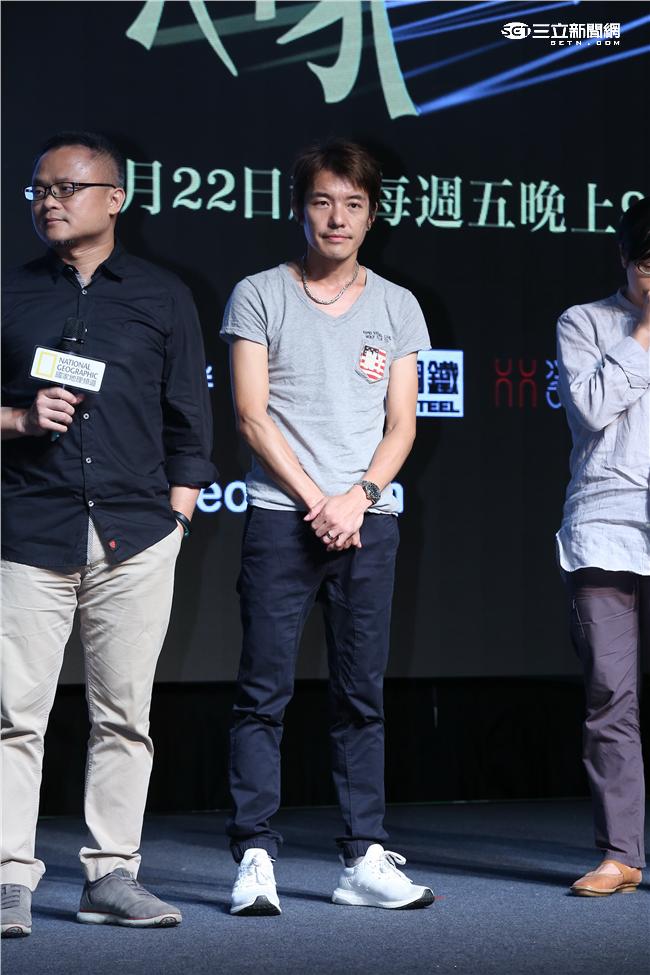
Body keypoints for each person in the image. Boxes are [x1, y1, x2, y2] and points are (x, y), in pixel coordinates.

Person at [1, 131, 216, 936]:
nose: (49, 201)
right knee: (13, 715)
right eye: (38, 188)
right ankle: (8, 878)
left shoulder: (163, 295)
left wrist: (179, 516)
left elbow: (189, 419)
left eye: (67, 187)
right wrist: (20, 418)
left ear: (115, 198)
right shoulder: (11, 292)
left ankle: (111, 875)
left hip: (136, 535)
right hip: (30, 527)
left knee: (124, 716)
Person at [220, 138, 434, 916]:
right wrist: (321, 501)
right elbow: (251, 415)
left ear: (372, 216)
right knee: (263, 691)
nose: (336, 217)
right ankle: (254, 853)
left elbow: (403, 424)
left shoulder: (398, 305)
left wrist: (359, 496)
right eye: (322, 201)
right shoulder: (259, 293)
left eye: (352, 204)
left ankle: (362, 857)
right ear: (299, 208)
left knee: (361, 694)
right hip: (285, 519)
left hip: (368, 524)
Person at [556, 196, 650, 897]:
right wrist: (644, 332)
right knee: (610, 694)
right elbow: (589, 409)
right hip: (606, 526)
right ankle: (622, 854)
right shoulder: (585, 322)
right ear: (623, 259)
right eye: (648, 263)